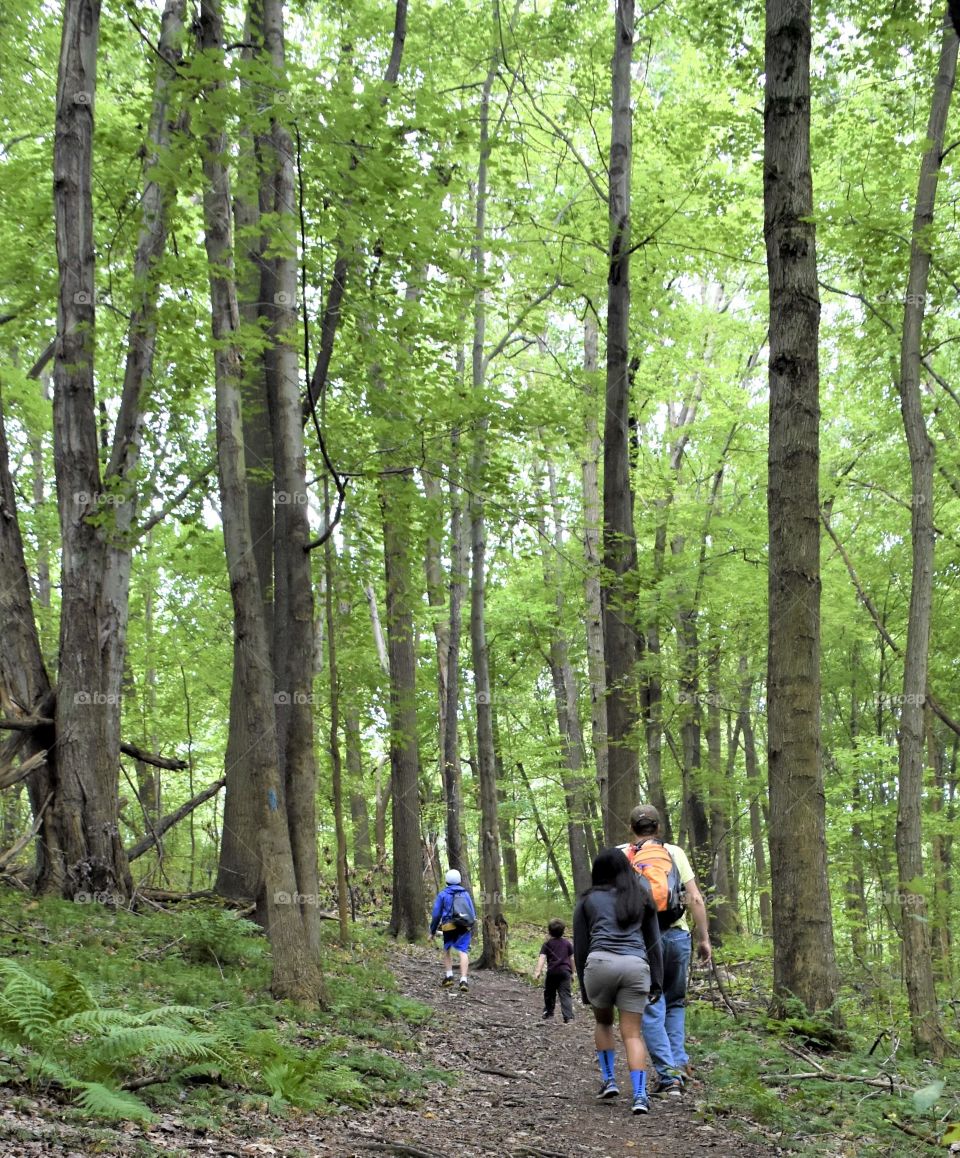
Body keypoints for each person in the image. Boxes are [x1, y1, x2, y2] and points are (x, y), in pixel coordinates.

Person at [628, 804, 712, 1097]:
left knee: (652, 1003)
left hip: (643, 940)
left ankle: (669, 1077)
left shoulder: (624, 854)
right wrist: (704, 939)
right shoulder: (674, 852)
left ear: (632, 828)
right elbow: (695, 898)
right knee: (675, 1002)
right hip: (677, 935)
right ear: (658, 827)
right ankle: (679, 1064)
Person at [573, 848, 663, 1115]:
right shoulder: (641, 898)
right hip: (636, 966)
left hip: (600, 964)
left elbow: (580, 947)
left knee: (603, 1022)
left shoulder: (587, 900)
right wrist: (656, 981)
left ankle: (609, 1080)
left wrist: (583, 985)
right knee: (633, 1034)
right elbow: (654, 943)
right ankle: (639, 1095)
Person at [429, 869, 476, 991]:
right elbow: (472, 912)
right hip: (464, 926)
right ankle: (464, 980)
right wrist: (470, 925)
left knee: (446, 949)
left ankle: (449, 976)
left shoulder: (443, 894)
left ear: (447, 881)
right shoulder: (465, 894)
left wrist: (432, 931)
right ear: (459, 880)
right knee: (463, 951)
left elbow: (436, 915)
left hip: (448, 926)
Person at [533, 918, 575, 1022]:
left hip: (552, 972)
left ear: (549, 931)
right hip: (565, 972)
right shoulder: (567, 944)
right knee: (565, 994)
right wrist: (573, 972)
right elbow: (572, 959)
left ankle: (548, 1012)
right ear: (563, 931)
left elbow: (542, 958)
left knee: (549, 993)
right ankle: (568, 1016)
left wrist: (538, 971)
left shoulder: (547, 944)